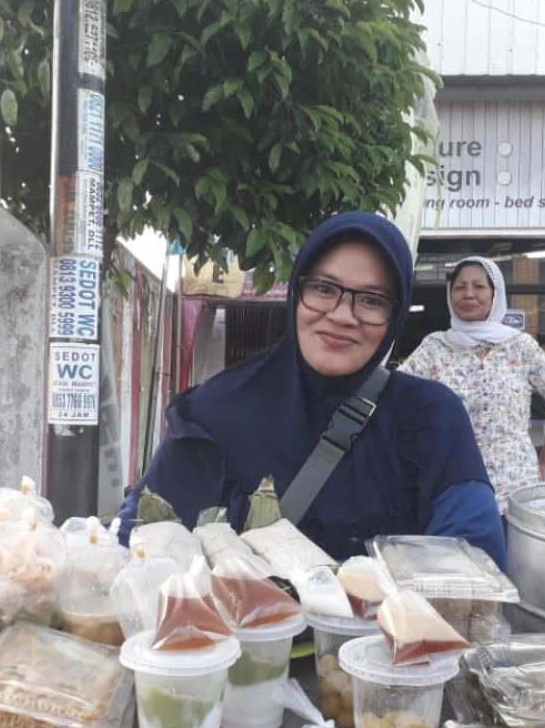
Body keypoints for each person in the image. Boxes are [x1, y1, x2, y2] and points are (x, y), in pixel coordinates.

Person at [116, 213, 507, 567]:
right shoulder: (213, 412)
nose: (341, 315)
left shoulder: (429, 418)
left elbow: (476, 564)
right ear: (296, 293)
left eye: (372, 300)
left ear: (396, 314)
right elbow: (138, 542)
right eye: (323, 288)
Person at [398, 256, 545, 508]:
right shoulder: (435, 347)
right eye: (460, 287)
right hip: (451, 481)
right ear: (450, 295)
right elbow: (398, 397)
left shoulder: (519, 346)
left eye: (479, 286)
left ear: (495, 294)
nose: (468, 294)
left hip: (514, 485)